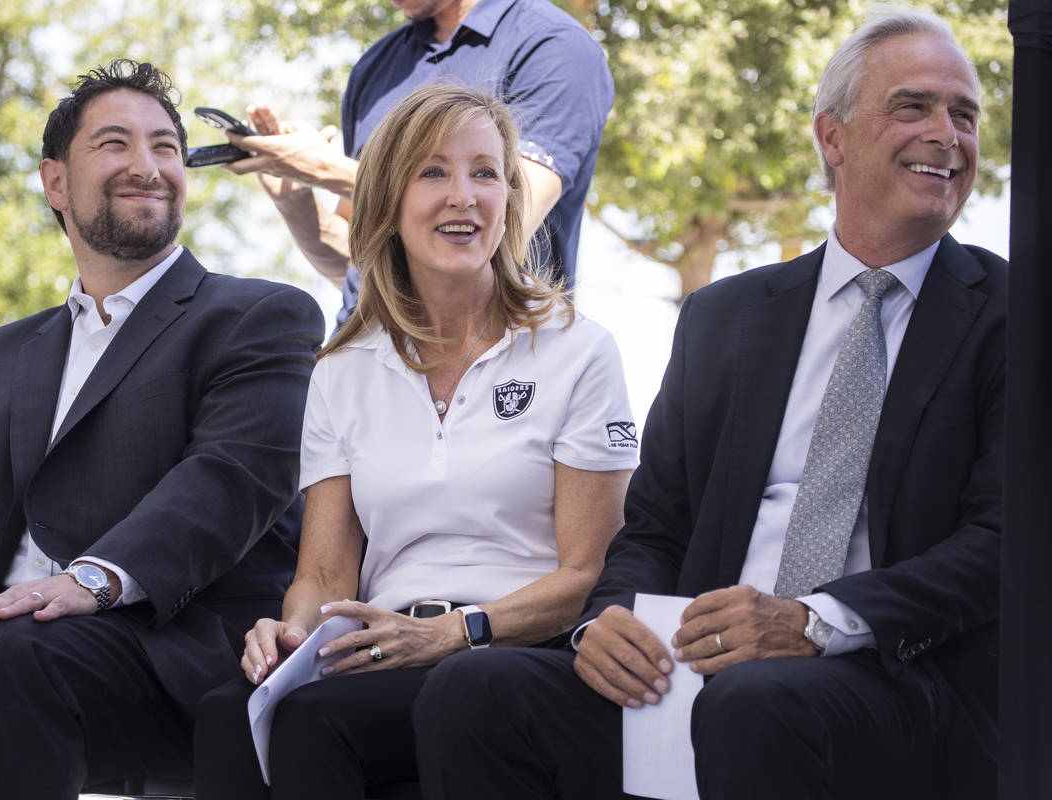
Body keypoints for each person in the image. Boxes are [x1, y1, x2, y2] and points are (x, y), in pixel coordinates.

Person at [415, 8, 1003, 800]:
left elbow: (1006, 542)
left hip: (899, 679)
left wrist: (815, 622)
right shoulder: (726, 315)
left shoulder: (1011, 314)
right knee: (474, 693)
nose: (948, 134)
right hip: (697, 669)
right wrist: (608, 621)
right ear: (832, 137)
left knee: (755, 704)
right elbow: (656, 523)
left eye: (964, 115)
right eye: (914, 107)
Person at [0, 60, 325, 799]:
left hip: (159, 660)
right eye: (115, 144)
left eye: (166, 147)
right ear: (54, 182)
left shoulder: (259, 318)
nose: (149, 167)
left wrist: (91, 583)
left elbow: (230, 481)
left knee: (12, 660)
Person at [192, 82, 638, 799]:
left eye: (485, 172)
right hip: (384, 650)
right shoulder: (342, 369)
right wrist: (288, 632)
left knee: (348, 718)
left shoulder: (578, 352)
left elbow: (589, 574)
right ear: (389, 203)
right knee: (233, 715)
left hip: (520, 653)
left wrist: (457, 631)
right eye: (433, 172)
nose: (464, 195)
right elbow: (326, 576)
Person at [226, 0, 614, 327]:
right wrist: (295, 198)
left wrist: (329, 170)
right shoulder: (374, 67)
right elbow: (359, 262)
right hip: (365, 364)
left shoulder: (554, 47)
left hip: (494, 372)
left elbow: (508, 218)